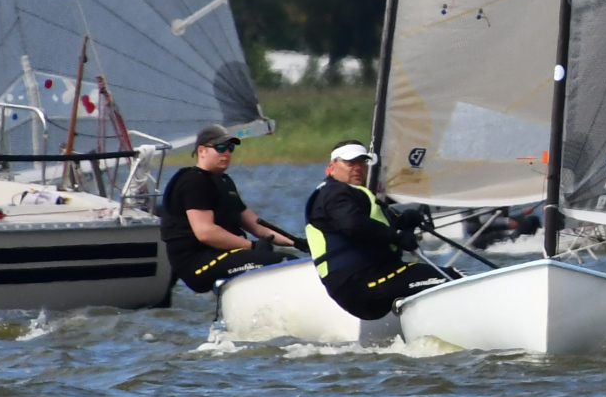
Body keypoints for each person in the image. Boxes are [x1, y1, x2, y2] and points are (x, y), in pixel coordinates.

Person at [303, 142, 444, 320]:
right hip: (361, 283)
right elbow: (353, 225)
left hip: (371, 280)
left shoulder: (352, 194)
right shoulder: (334, 194)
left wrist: (403, 222)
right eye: (350, 162)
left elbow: (373, 224)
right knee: (452, 277)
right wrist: (398, 237)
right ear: (332, 166)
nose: (357, 168)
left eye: (362, 162)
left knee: (433, 278)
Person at [158, 125, 297, 290]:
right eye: (220, 147)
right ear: (202, 151)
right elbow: (205, 233)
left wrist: (297, 242)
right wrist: (251, 246)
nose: (227, 153)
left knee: (292, 261)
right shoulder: (193, 181)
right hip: (197, 264)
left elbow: (258, 226)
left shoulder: (225, 182)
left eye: (230, 148)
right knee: (283, 262)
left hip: (224, 254)